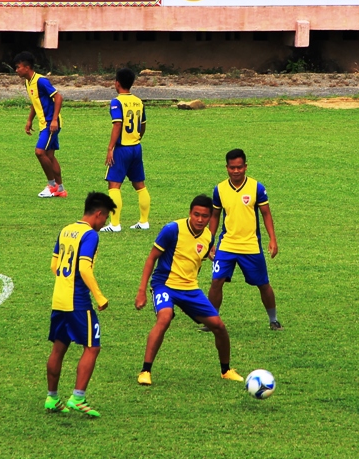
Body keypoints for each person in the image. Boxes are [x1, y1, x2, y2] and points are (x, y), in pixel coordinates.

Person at [134, 195, 243, 385]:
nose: (200, 219)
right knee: (165, 317)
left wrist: (212, 255)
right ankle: (145, 371)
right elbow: (152, 258)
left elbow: (197, 260)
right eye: (196, 214)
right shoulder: (172, 229)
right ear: (190, 213)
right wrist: (142, 290)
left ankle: (226, 370)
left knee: (219, 326)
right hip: (164, 285)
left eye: (204, 216)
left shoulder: (208, 237)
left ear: (210, 217)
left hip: (190, 289)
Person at [45, 192, 116, 417]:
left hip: (59, 298)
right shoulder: (90, 235)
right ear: (98, 214)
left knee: (59, 347)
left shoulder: (66, 229)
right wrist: (99, 297)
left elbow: (54, 265)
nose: (104, 223)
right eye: (106, 218)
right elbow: (84, 268)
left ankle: (52, 398)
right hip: (77, 301)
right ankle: (77, 397)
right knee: (92, 346)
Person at [207, 149, 281, 330]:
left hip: (250, 246)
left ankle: (273, 320)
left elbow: (266, 214)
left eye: (239, 167)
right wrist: (209, 241)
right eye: (232, 168)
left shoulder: (257, 188)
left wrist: (272, 239)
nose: (236, 171)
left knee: (263, 284)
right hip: (227, 244)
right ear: (227, 168)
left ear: (245, 167)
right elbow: (215, 216)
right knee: (216, 282)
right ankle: (212, 321)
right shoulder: (220, 189)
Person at [101, 68, 150, 232]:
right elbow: (143, 125)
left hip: (122, 150)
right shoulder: (138, 101)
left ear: (117, 83)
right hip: (136, 147)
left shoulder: (117, 102)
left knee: (114, 186)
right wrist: (137, 138)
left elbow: (117, 124)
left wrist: (110, 148)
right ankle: (144, 221)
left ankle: (115, 224)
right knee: (140, 185)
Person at [14, 51, 67, 198]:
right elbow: (35, 101)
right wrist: (29, 120)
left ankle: (51, 185)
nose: (16, 70)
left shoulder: (41, 81)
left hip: (51, 124)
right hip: (44, 123)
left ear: (27, 67)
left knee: (39, 152)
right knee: (49, 156)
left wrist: (54, 120)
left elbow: (58, 97)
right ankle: (60, 189)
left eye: (18, 67)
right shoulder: (28, 82)